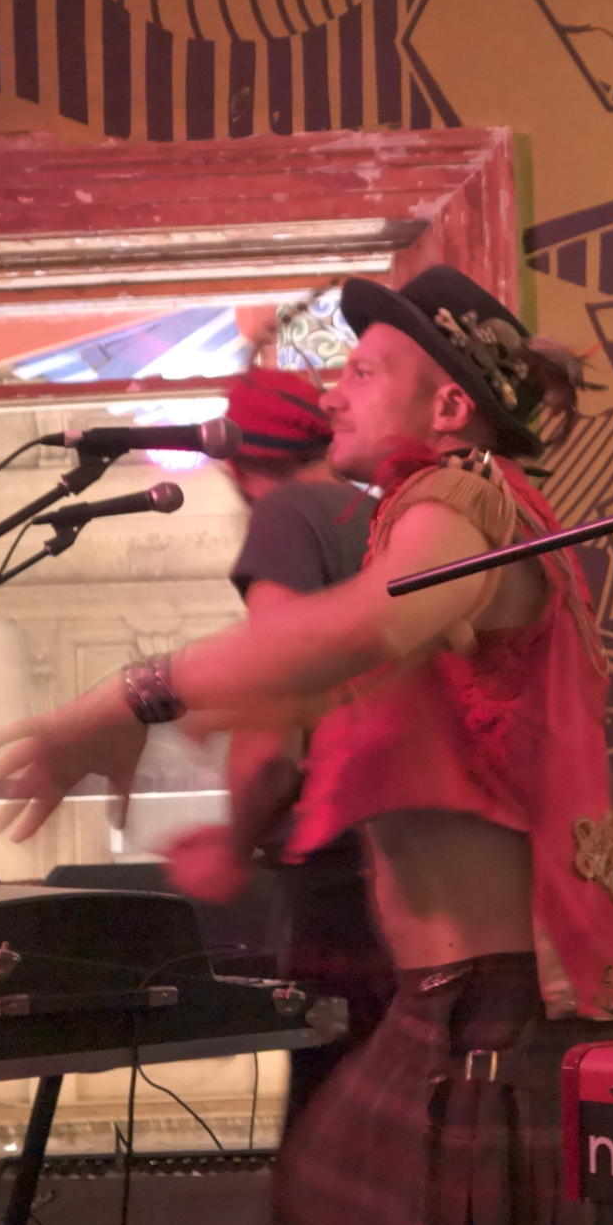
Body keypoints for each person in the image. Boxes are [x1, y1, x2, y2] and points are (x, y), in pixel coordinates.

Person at [0, 266, 613, 1225]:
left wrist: (126, 697)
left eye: (363, 369)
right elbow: (310, 678)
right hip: (448, 1018)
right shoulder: (424, 517)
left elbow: (359, 630)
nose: (333, 389)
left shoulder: (461, 498)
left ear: (449, 405)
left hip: (498, 1026)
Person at [158, 364, 393, 1127]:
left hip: (339, 880)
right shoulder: (386, 516)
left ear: (235, 462)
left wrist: (233, 844)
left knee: (329, 1137)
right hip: (407, 870)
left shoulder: (290, 513)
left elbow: (276, 708)